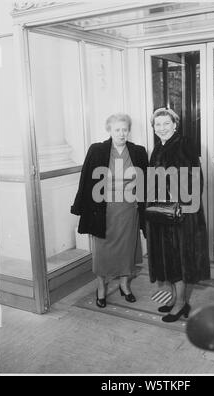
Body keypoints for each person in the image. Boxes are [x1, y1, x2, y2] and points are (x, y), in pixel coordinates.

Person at [71, 113, 148, 308]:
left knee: (126, 250)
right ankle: (101, 288)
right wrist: (80, 207)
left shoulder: (139, 151)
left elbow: (145, 182)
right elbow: (86, 180)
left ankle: (124, 285)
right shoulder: (97, 150)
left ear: (129, 130)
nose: (121, 134)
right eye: (117, 130)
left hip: (129, 210)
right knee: (102, 252)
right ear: (109, 130)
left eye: (124, 129)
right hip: (103, 210)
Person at [146, 108, 210, 322]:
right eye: (158, 124)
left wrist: (181, 202)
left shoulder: (183, 143)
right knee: (168, 258)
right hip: (161, 213)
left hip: (180, 213)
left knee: (178, 258)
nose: (162, 128)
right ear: (153, 128)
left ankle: (181, 303)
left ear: (175, 125)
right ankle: (175, 298)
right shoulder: (158, 148)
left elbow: (194, 175)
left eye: (166, 123)